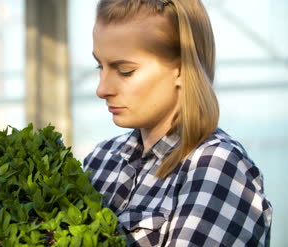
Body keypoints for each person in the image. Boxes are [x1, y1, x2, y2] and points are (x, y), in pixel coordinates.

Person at [82, 0, 272, 246]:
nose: (102, 89)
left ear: (182, 68)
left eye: (125, 71)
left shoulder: (215, 167)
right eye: (101, 66)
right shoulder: (102, 159)